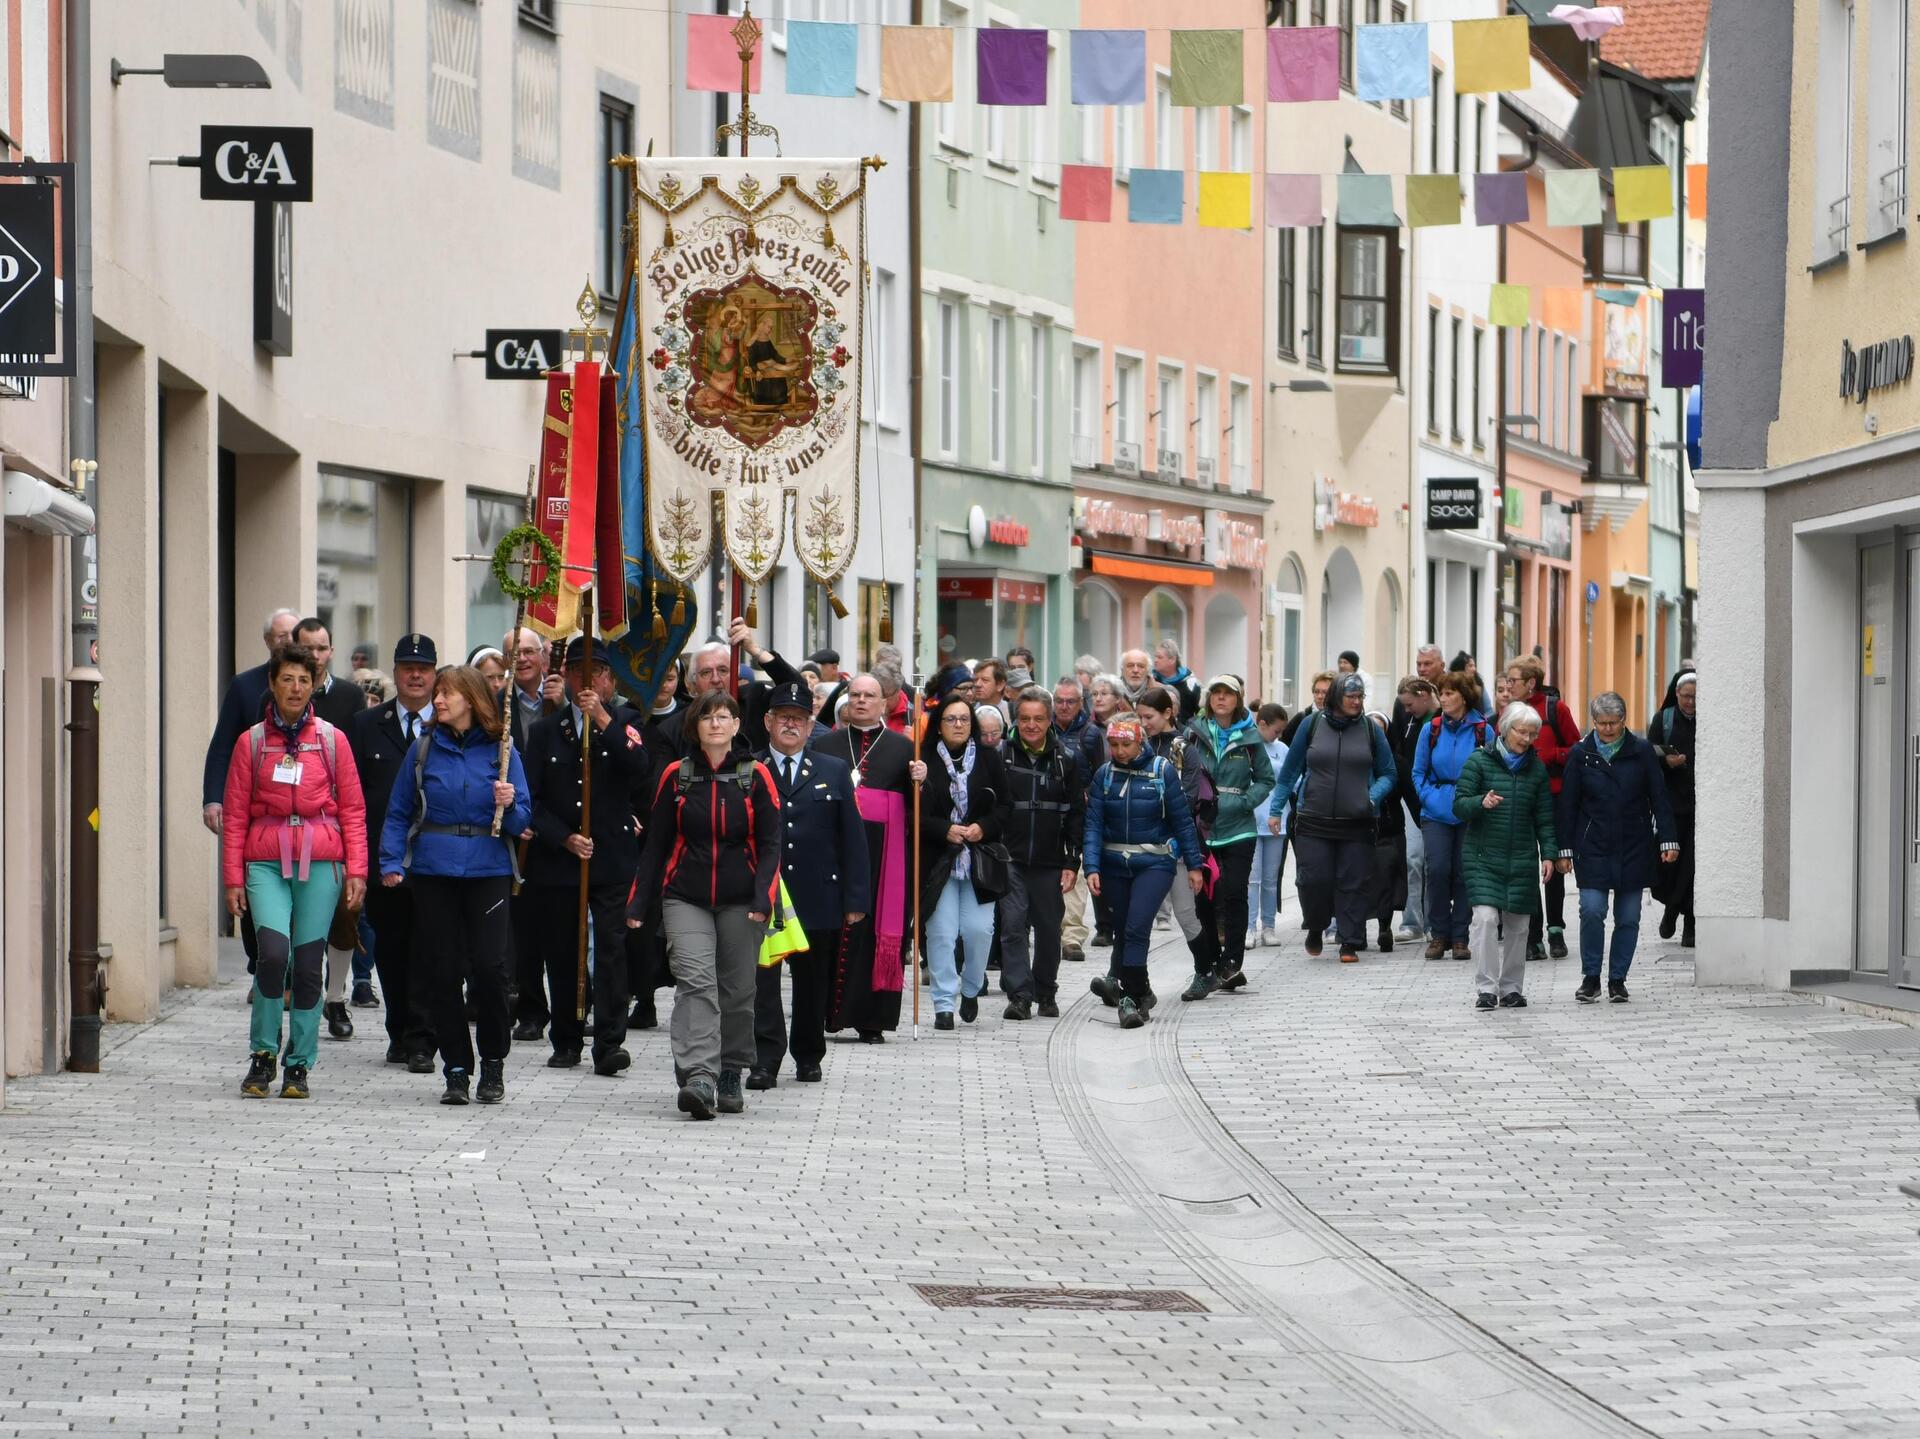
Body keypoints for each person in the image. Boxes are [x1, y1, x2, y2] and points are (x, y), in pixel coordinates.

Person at [377, 665, 532, 1106]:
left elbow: (523, 821)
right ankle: (457, 1068)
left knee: (490, 969)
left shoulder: (504, 750)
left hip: (488, 870)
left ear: (473, 699)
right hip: (434, 871)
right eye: (438, 693)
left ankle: (494, 1061)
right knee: (442, 971)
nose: (438, 700)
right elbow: (399, 810)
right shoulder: (423, 748)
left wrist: (509, 804)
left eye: (448, 693)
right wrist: (391, 861)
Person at [224, 643, 368, 1099]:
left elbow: (353, 809)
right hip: (266, 861)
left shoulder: (331, 740)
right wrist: (232, 878)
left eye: (304, 680)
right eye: (287, 678)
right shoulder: (251, 742)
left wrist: (357, 870)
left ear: (314, 686)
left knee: (308, 965)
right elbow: (235, 814)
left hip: (320, 861)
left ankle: (299, 1063)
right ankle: (263, 1053)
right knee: (272, 954)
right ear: (272, 683)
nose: (295, 687)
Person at [630, 690, 780, 1119]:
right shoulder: (677, 775)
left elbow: (771, 844)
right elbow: (656, 844)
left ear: (736, 725)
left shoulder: (756, 776)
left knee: (738, 990)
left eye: (724, 716)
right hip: (685, 896)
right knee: (695, 982)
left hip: (742, 899)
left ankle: (731, 1069)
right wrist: (639, 902)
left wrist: (763, 898)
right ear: (694, 726)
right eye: (707, 717)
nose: (716, 723)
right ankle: (699, 1075)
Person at [522, 636, 652, 1074]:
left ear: (609, 678)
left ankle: (610, 1042)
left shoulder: (625, 722)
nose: (587, 680)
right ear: (567, 675)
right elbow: (532, 799)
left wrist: (601, 718)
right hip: (561, 860)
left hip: (612, 857)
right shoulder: (546, 731)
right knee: (563, 950)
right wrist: (564, 838)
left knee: (611, 951)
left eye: (595, 671)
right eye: (578, 671)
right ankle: (566, 1038)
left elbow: (639, 767)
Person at [749, 683, 868, 1089]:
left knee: (813, 982)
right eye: (783, 717)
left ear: (809, 725)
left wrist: (855, 898)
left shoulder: (832, 769)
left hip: (818, 894)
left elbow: (852, 838)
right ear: (768, 721)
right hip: (766, 896)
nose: (791, 725)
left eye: (799, 719)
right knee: (763, 981)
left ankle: (808, 1053)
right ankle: (765, 1059)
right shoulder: (752, 768)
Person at [347, 634, 442, 1073]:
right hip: (384, 861)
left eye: (423, 669)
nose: (415, 676)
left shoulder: (448, 722)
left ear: (435, 674)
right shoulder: (366, 725)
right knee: (391, 949)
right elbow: (352, 798)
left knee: (429, 948)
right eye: (407, 668)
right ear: (396, 672)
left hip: (435, 860)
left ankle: (422, 1036)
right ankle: (399, 1030)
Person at [818, 674, 926, 1042]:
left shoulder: (904, 747)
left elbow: (919, 809)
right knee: (833, 927)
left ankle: (871, 1020)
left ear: (884, 703)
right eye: (855, 695)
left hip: (884, 852)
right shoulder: (826, 744)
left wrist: (921, 780)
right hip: (834, 846)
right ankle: (828, 1014)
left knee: (873, 930)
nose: (862, 700)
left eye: (870, 695)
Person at [1083, 715, 1206, 1029]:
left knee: (1137, 927)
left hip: (1155, 862)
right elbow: (1093, 824)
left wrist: (1194, 865)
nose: (1119, 751)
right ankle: (1142, 991)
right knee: (1124, 929)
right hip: (1114, 863)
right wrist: (1091, 867)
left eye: (1126, 744)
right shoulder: (1104, 775)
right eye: (1114, 744)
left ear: (1140, 741)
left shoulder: (1162, 771)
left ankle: (1130, 999)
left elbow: (1182, 821)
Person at [1557, 691, 1679, 1004]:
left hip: (1634, 844)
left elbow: (1659, 796)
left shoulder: (1641, 751)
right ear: (1593, 721)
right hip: (1593, 844)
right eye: (1601, 723)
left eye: (1613, 723)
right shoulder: (1581, 754)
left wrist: (1668, 838)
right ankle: (1590, 977)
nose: (1608, 729)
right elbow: (1568, 805)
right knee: (1592, 910)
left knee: (1628, 917)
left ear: (1624, 720)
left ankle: (1617, 979)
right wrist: (1563, 849)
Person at [1273, 673, 1398, 963]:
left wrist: (1371, 798)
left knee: (1353, 881)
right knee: (1314, 879)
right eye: (1350, 696)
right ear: (1336, 697)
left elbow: (1389, 773)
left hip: (1358, 820)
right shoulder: (1311, 725)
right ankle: (1316, 926)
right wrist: (1276, 810)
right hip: (1313, 818)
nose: (1356, 702)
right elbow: (1289, 772)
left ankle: (1349, 941)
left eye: (1360, 697)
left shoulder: (1370, 729)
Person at [1453, 703, 1558, 1011]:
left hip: (1522, 857)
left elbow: (1544, 818)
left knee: (1519, 926)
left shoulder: (1536, 769)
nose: (1527, 739)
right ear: (1505, 729)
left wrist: (1548, 854)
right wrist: (1480, 802)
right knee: (1485, 920)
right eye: (1521, 732)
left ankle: (1511, 988)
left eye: (1532, 734)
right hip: (1483, 856)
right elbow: (1459, 805)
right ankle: (1486, 988)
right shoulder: (1479, 761)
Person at [917, 696, 1011, 1031]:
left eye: (964, 719)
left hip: (979, 860)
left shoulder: (988, 758)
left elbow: (1005, 807)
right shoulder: (923, 760)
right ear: (938, 725)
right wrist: (944, 829)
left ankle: (971, 986)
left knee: (978, 930)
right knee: (941, 932)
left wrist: (982, 827)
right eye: (951, 719)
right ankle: (944, 1003)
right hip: (939, 859)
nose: (958, 725)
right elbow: (912, 814)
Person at [1178, 676, 1274, 1001]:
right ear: (1209, 699)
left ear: (1238, 700)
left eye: (1228, 694)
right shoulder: (1192, 734)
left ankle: (1232, 961)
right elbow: (1180, 771)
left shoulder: (1250, 736)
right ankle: (1211, 962)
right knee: (1203, 898)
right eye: (1216, 693)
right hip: (1202, 827)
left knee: (1234, 893)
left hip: (1239, 828)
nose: (1221, 698)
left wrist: (1244, 801)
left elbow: (1266, 779)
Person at [996, 688, 1084, 1021]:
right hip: (1010, 858)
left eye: (1038, 719)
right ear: (1016, 721)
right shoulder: (1001, 756)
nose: (1031, 725)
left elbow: (1076, 814)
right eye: (1025, 719)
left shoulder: (1066, 759)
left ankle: (1046, 990)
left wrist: (1071, 861)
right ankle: (1019, 996)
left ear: (1050, 721)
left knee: (1048, 929)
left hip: (1050, 861)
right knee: (1013, 926)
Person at [1507, 656, 1582, 961]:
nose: (1508, 685)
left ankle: (1556, 929)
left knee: (1554, 861)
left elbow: (1577, 748)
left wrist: (1552, 755)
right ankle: (1533, 935)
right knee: (1527, 865)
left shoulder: (1555, 709)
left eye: (1513, 680)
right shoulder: (1511, 712)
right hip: (1522, 796)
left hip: (1555, 796)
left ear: (1530, 683)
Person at [204, 607, 301, 836]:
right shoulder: (244, 685)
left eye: (293, 634)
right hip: (255, 800)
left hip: (305, 802)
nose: (288, 641)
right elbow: (222, 745)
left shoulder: (312, 683)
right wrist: (213, 799)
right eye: (281, 636)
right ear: (268, 641)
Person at [1412, 674, 1488, 963]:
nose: (1442, 699)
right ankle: (1438, 934)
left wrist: (1478, 801)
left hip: (1470, 809)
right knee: (1438, 869)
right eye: (1441, 693)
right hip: (1436, 810)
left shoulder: (1483, 730)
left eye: (1449, 693)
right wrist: (1428, 797)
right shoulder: (1430, 729)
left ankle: (1460, 937)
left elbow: (1492, 770)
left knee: (1464, 873)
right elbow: (1418, 772)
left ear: (1464, 697)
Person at [1647, 670, 1697, 946]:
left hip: (1700, 806)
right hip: (1671, 805)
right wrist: (1667, 762)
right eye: (1686, 696)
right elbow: (1648, 756)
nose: (1690, 702)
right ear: (1676, 694)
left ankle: (1690, 921)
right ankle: (1671, 907)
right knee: (1669, 864)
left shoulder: (1709, 719)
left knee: (1693, 866)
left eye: (1695, 697)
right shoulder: (1663, 719)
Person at [1387, 676, 1435, 943]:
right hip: (1410, 796)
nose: (1406, 710)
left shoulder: (1440, 720)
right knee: (1413, 859)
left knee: (1434, 864)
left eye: (1410, 704)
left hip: (1436, 797)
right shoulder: (1408, 719)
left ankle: (1434, 922)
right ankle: (1412, 921)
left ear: (1423, 696)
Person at [1246, 703, 1289, 949]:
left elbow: (1292, 779)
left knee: (1271, 879)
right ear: (1262, 724)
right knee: (1252, 878)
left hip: (1277, 821)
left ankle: (1269, 926)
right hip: (1250, 820)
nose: (1278, 735)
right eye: (1276, 730)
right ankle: (1249, 927)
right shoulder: (1247, 746)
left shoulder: (1282, 749)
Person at [1280, 671, 1335, 748]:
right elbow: (1285, 746)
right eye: (1316, 692)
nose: (1319, 696)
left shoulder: (1343, 719)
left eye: (1325, 692)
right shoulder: (1301, 718)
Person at [1152, 640, 1203, 722]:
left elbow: (1201, 712)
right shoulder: (1152, 681)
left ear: (1172, 660)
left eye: (1159, 657)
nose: (1155, 660)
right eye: (1155, 657)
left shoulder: (1191, 684)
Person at [971, 659, 1011, 724]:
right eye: (975, 680)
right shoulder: (969, 711)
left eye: (985, 680)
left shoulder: (1012, 712)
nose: (977, 684)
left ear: (1000, 685)